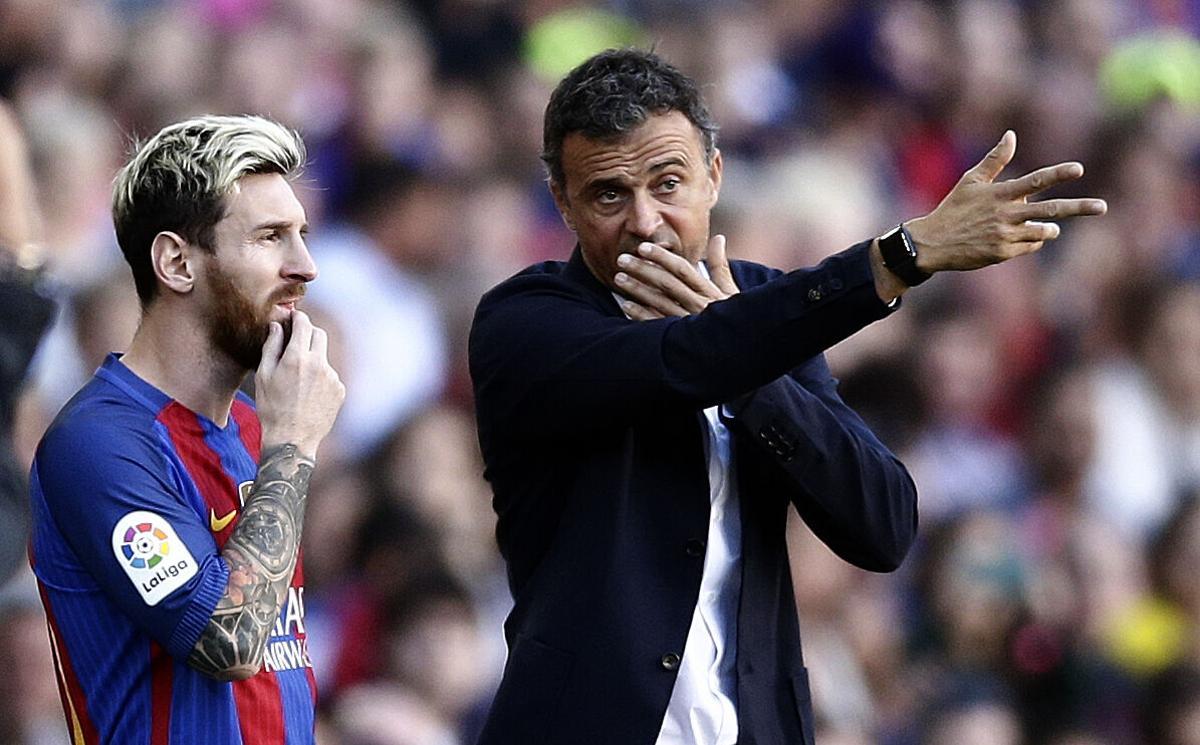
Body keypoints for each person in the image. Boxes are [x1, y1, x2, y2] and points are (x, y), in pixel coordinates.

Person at [468, 49, 1107, 745]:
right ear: (562, 202)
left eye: (668, 182)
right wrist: (898, 256)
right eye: (609, 195)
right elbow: (684, 360)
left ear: (714, 174)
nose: (646, 221)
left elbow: (884, 524)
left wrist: (753, 376)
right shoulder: (528, 321)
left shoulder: (768, 311)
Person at [28, 115, 344, 743]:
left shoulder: (259, 425)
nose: (306, 266)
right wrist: (294, 449)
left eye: (302, 235)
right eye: (270, 237)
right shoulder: (100, 444)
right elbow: (226, 641)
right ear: (176, 263)